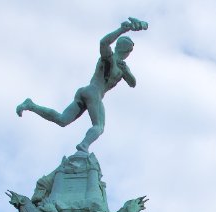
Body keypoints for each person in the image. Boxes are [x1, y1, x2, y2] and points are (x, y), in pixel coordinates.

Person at [16, 18, 148, 153]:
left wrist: (126, 71)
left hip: (87, 92)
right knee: (99, 126)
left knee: (62, 120)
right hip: (94, 93)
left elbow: (133, 83)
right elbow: (103, 43)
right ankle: (84, 145)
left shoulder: (122, 67)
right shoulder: (110, 59)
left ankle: (31, 105)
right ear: (128, 52)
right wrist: (122, 30)